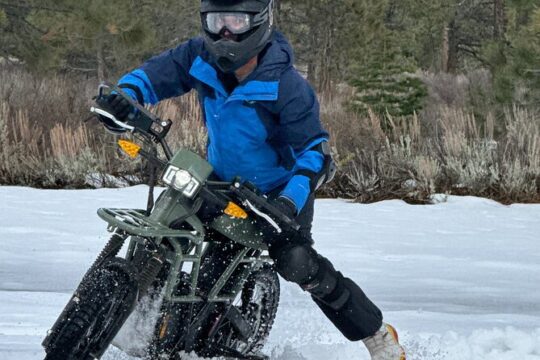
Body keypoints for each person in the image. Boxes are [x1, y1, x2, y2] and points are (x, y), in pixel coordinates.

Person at [97, 0, 406, 359]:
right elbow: (154, 75)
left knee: (296, 262)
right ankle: (144, 315)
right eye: (217, 21)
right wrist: (124, 98)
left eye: (236, 22)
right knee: (170, 225)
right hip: (220, 182)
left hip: (278, 192)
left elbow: (313, 153)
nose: (225, 32)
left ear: (259, 22)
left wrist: (289, 201)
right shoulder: (199, 56)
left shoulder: (286, 85)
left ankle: (376, 335)